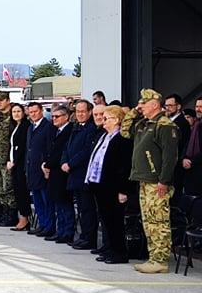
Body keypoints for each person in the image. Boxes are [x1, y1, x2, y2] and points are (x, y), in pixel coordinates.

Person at [123, 89, 180, 274]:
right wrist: (133, 112)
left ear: (154, 105)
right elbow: (125, 131)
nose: (141, 107)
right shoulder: (145, 124)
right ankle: (153, 257)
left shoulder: (164, 125)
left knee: (159, 221)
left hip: (157, 182)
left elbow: (170, 157)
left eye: (143, 104)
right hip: (144, 181)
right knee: (149, 221)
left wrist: (164, 181)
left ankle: (161, 259)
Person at [85, 105, 136, 264]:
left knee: (115, 221)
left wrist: (123, 189)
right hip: (101, 185)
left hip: (114, 187)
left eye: (106, 118)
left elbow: (124, 166)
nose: (103, 121)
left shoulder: (122, 139)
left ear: (116, 120)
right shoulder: (104, 136)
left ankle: (119, 252)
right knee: (106, 220)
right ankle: (109, 249)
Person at [61, 100, 98, 250]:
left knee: (88, 209)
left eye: (83, 111)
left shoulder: (91, 128)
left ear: (89, 112)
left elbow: (86, 151)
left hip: (83, 173)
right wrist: (64, 161)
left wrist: (70, 164)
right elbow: (67, 147)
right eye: (77, 112)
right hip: (73, 174)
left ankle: (89, 238)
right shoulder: (76, 127)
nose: (80, 114)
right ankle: (83, 236)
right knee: (82, 209)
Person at [43, 106, 74, 244]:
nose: (54, 119)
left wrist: (48, 164)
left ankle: (67, 232)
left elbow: (61, 152)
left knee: (64, 203)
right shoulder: (57, 130)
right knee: (58, 203)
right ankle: (60, 231)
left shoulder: (69, 130)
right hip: (55, 172)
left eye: (57, 116)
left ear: (66, 117)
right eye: (53, 117)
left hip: (62, 172)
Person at [25, 102, 55, 237]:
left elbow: (50, 148)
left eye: (35, 111)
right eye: (30, 112)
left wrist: (47, 165)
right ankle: (42, 224)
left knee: (46, 200)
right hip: (32, 169)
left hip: (43, 169)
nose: (33, 114)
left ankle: (49, 226)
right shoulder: (31, 127)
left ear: (41, 111)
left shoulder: (48, 127)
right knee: (37, 200)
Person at [0, 92, 18, 226]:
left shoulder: (13, 117)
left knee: (8, 188)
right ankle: (3, 213)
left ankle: (11, 215)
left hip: (8, 158)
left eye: (1, 101)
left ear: (8, 101)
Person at [7, 103, 31, 231]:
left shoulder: (26, 126)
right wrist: (8, 160)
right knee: (17, 191)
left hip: (21, 164)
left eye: (18, 111)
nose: (16, 114)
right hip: (14, 164)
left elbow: (21, 147)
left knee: (22, 192)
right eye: (14, 112)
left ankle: (24, 219)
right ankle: (21, 217)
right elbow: (10, 146)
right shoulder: (15, 126)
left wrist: (14, 161)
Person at [164, 93, 190, 200]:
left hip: (175, 165)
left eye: (170, 105)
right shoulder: (167, 121)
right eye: (166, 106)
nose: (167, 108)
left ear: (178, 106)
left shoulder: (182, 123)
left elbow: (182, 143)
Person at [182, 97, 202, 196]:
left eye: (201, 107)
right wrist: (184, 158)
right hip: (191, 171)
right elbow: (187, 143)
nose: (198, 109)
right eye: (197, 106)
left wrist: (192, 161)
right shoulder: (196, 124)